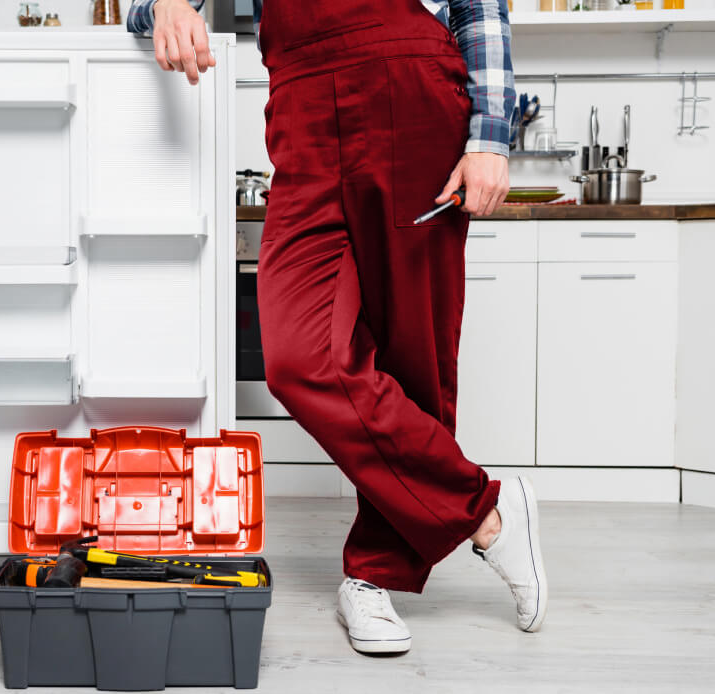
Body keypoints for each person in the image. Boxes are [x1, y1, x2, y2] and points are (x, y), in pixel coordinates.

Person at [128, 0, 547, 655]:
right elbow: (139, 12)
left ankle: (373, 577)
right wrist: (166, 4)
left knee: (416, 354)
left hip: (407, 79)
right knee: (298, 359)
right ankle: (485, 511)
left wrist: (490, 135)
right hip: (299, 100)